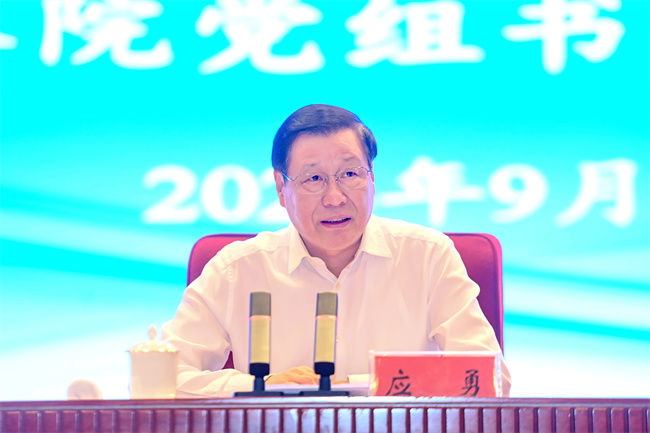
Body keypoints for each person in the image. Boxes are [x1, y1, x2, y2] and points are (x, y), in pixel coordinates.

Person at [162, 104, 511, 397]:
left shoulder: (428, 256)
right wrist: (265, 388)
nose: (335, 197)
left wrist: (346, 388)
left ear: (372, 178)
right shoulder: (236, 270)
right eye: (314, 179)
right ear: (281, 188)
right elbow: (161, 377)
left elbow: (491, 379)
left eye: (350, 174)